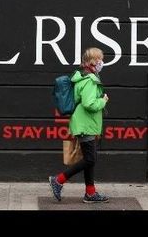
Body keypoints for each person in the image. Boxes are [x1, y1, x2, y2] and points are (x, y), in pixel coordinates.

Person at [49, 47, 109, 203]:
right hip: (85, 124)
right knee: (90, 159)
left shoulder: (82, 77)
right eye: (99, 59)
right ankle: (58, 180)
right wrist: (103, 101)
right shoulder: (89, 81)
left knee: (90, 159)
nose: (101, 62)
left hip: (84, 123)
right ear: (91, 62)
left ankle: (90, 193)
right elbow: (89, 104)